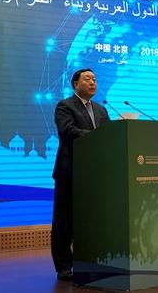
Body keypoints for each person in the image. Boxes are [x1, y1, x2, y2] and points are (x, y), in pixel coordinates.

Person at [52, 68, 110, 281]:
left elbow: (110, 136)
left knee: (91, 220)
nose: (93, 82)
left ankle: (91, 261)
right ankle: (64, 266)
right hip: (70, 171)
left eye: (94, 79)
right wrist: (98, 136)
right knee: (64, 221)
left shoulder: (101, 109)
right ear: (76, 84)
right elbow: (68, 132)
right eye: (87, 79)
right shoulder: (65, 106)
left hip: (94, 174)